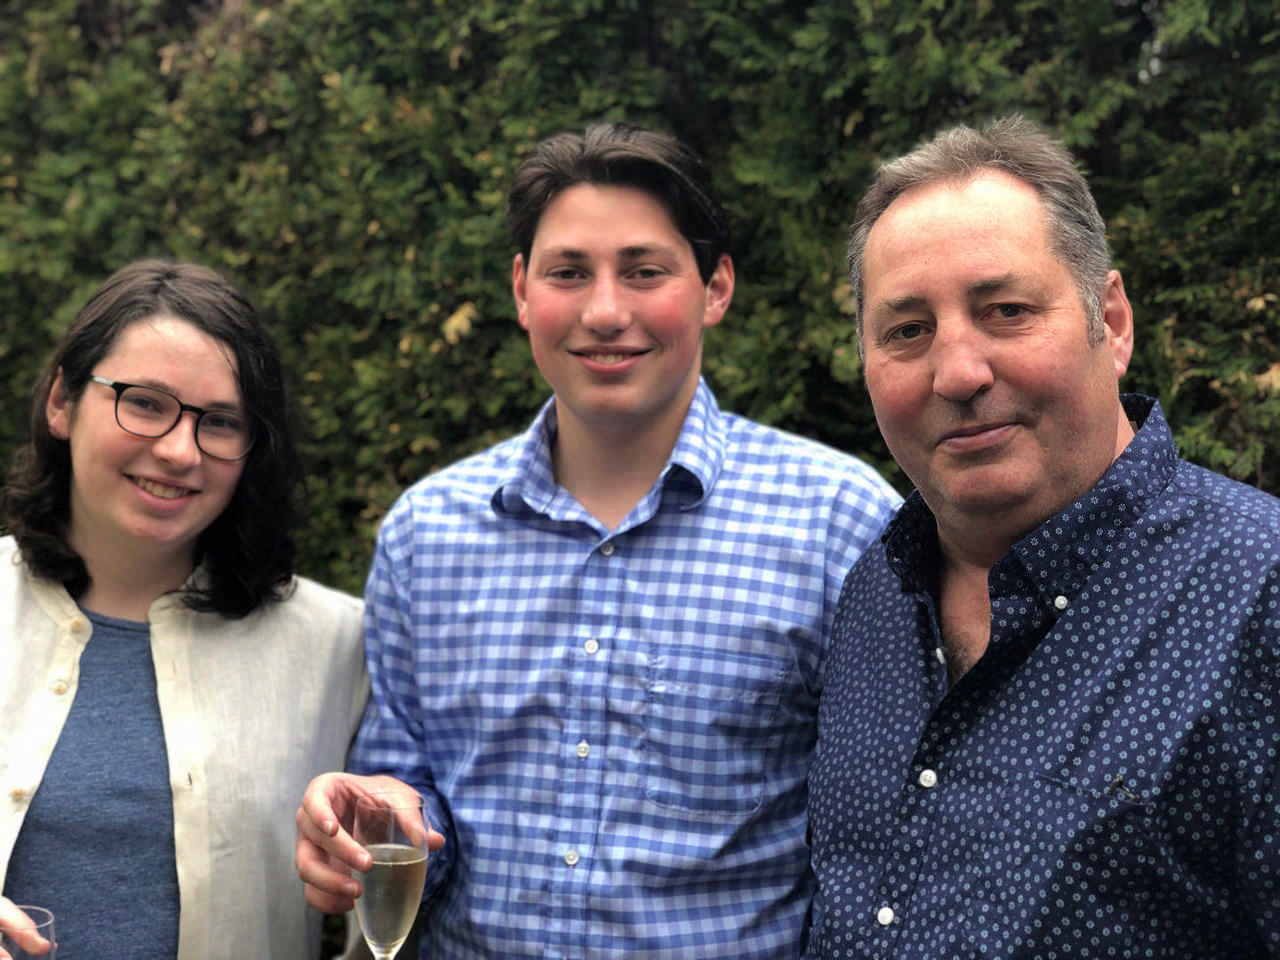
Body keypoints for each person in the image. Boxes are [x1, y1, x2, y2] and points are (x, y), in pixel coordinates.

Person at [295, 121, 902, 959]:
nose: (605, 310)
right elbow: (411, 806)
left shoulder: (839, 522)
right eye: (568, 273)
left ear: (715, 287)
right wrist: (373, 825)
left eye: (644, 271)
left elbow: (884, 842)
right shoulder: (425, 536)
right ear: (521, 291)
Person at [805, 114, 1280, 958]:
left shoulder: (1258, 595)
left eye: (1007, 310)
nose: (957, 372)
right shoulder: (876, 591)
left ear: (1114, 322)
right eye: (908, 330)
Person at [0, 259, 369, 959]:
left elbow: (411, 877)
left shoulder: (340, 647)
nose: (178, 450)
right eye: (144, 402)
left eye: (222, 422)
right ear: (61, 402)